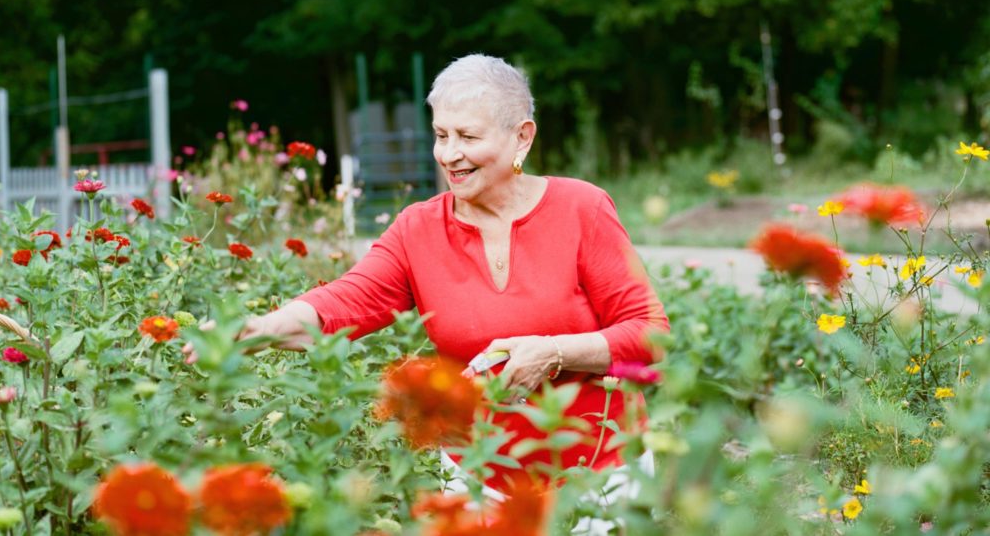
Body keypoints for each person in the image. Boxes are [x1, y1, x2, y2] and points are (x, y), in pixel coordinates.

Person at [191, 54, 669, 493]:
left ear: (522, 137)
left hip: (598, 481)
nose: (449, 154)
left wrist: (556, 351)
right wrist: (261, 328)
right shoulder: (418, 228)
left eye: (468, 137)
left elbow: (651, 335)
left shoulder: (580, 208)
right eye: (442, 135)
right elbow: (350, 298)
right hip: (478, 481)